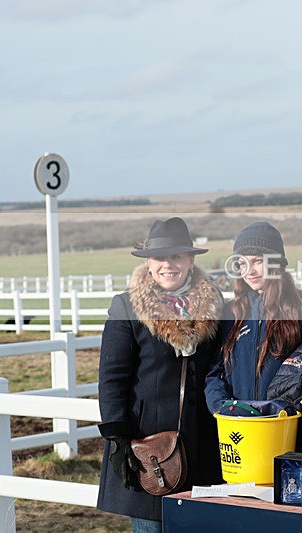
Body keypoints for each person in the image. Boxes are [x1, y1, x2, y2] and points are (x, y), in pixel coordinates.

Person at [97, 217, 224, 533]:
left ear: (190, 260)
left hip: (205, 444)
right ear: (149, 263)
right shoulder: (127, 307)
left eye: (177, 256)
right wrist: (118, 438)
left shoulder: (215, 304)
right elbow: (112, 376)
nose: (169, 264)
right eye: (160, 257)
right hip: (149, 447)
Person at [205, 221, 302, 468]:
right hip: (240, 438)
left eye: (258, 261)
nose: (250, 270)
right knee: (242, 505)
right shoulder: (230, 313)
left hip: (293, 434)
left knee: (289, 504)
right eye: (242, 263)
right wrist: (222, 408)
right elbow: (214, 374)